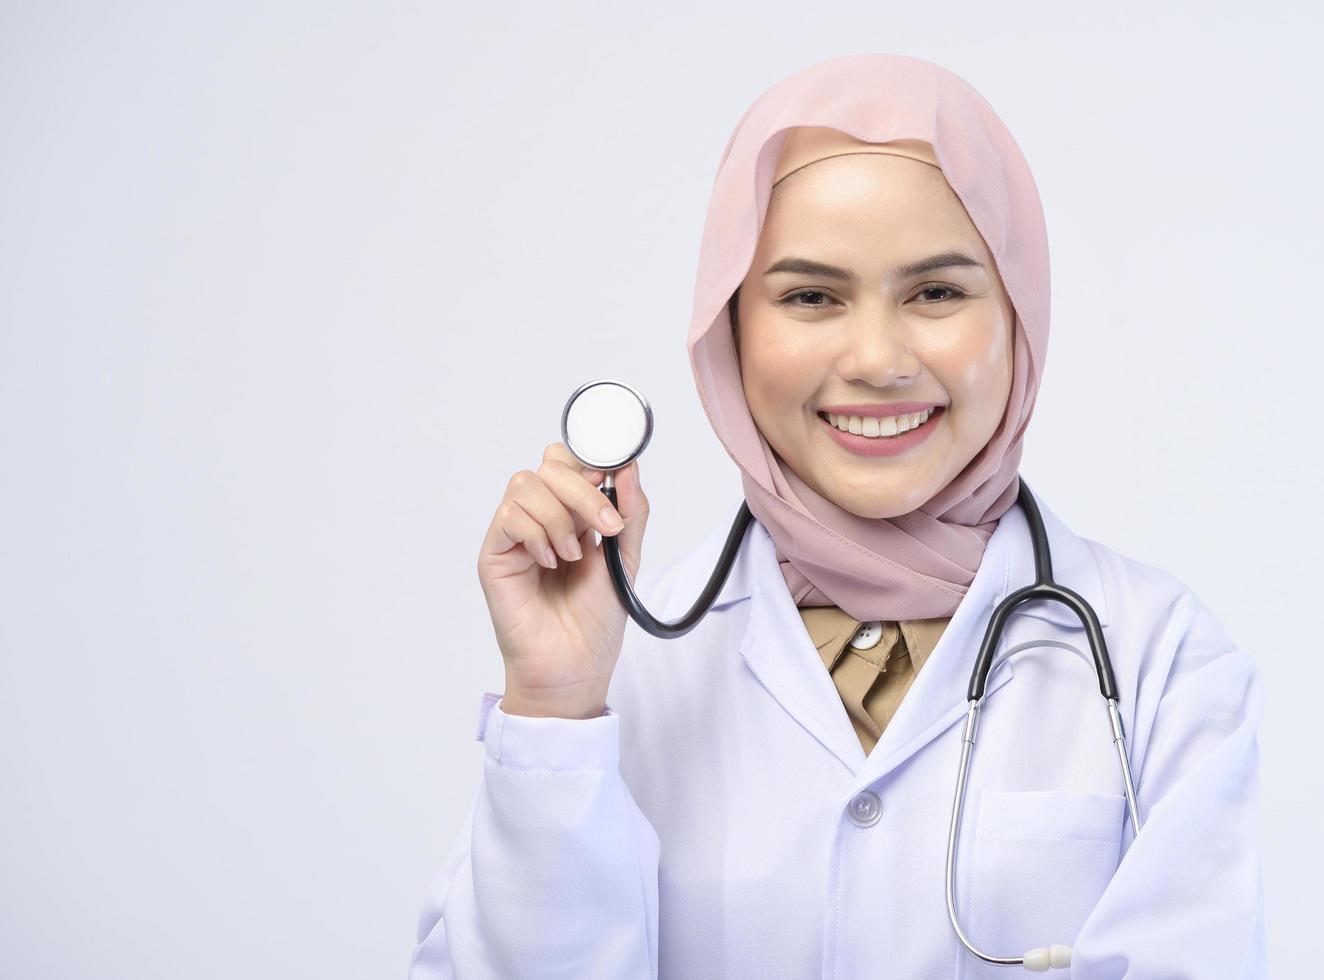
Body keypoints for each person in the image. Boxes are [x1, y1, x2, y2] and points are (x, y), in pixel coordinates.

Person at [408, 53, 1266, 978]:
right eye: (810, 296)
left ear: (1019, 313)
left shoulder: (1158, 658)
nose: (875, 358)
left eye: (936, 292)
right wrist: (555, 713)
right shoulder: (628, 671)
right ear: (727, 330)